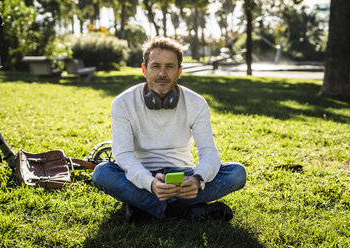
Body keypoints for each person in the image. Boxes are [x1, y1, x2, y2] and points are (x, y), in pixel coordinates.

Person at [92, 36, 247, 222]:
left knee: (237, 173)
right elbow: (123, 155)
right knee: (102, 173)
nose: (162, 74)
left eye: (170, 67)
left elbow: (209, 152)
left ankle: (146, 207)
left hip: (183, 177)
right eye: (156, 66)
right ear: (144, 70)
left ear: (179, 71)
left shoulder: (197, 103)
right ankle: (181, 210)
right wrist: (150, 183)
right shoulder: (123, 103)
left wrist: (198, 179)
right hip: (143, 176)